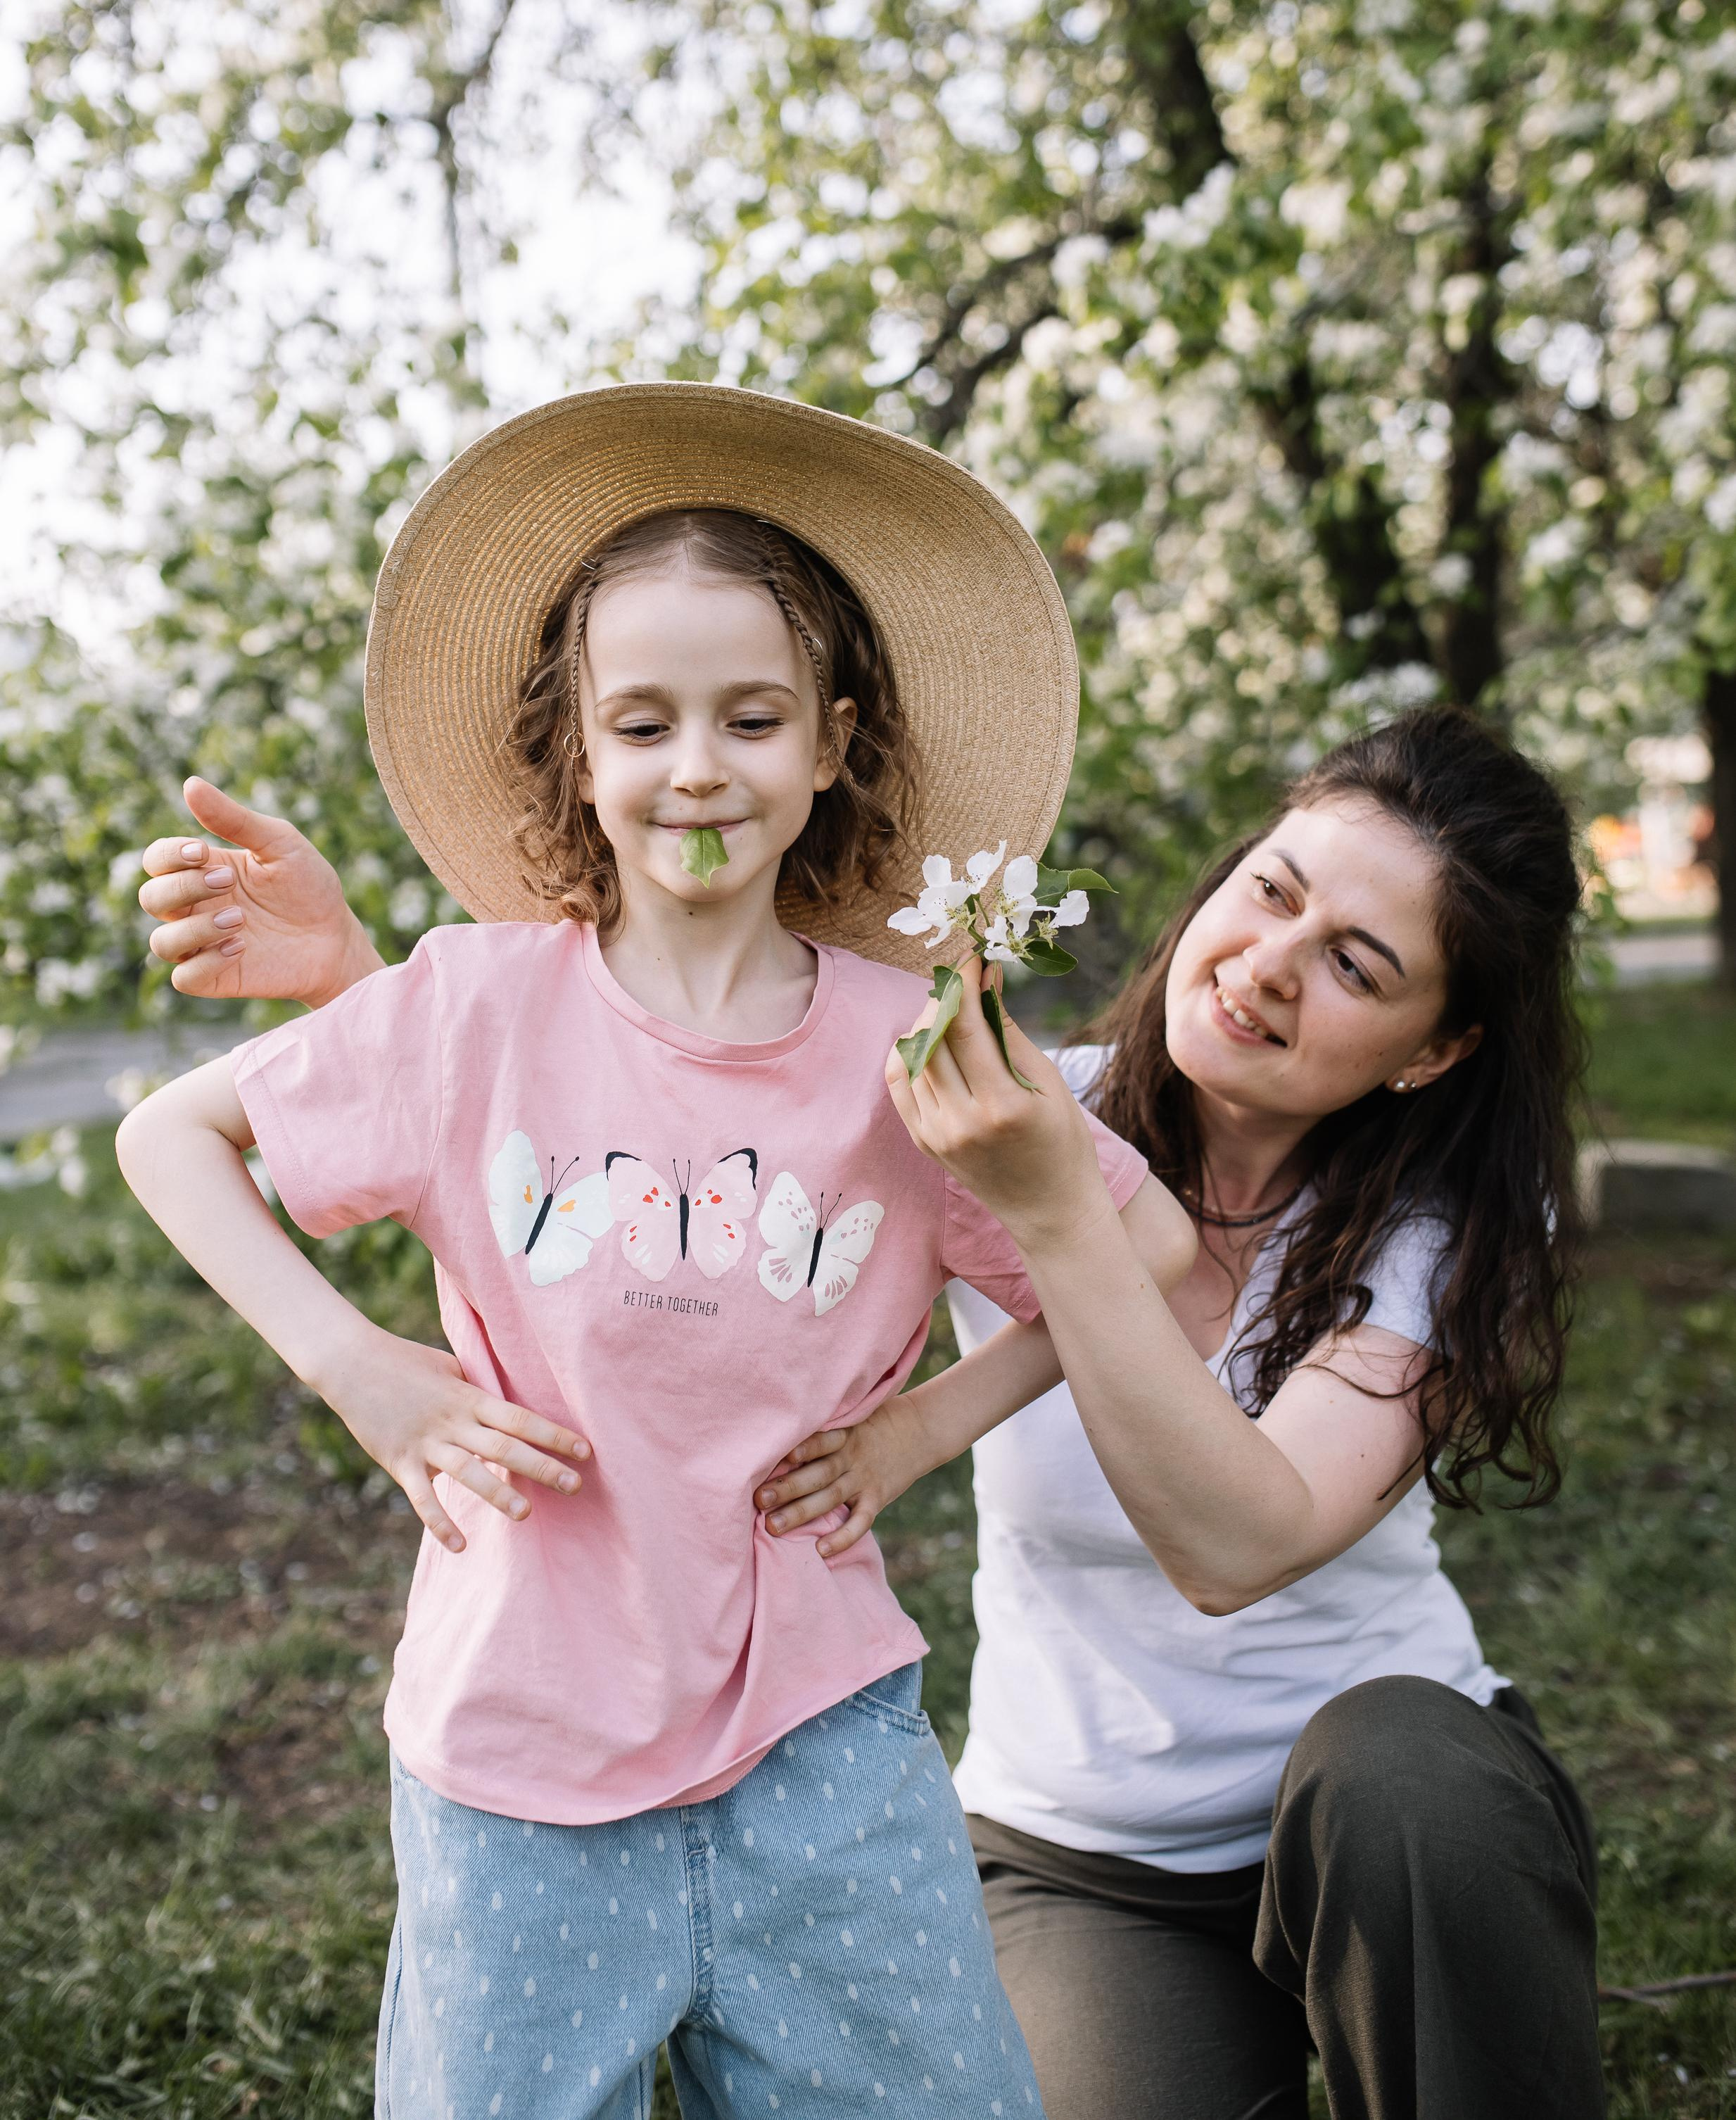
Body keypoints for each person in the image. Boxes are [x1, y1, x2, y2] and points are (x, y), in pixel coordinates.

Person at [147, 698, 1606, 2119]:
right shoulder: (1003, 1092)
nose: (1269, 963)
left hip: (1379, 1799)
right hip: (1079, 1844)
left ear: (1434, 1044)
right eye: (1268, 889)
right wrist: (362, 990)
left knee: (1407, 1779)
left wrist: (1015, 1268)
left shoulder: (1433, 1214)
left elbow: (1237, 1538)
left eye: (1355, 960)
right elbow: (632, 1151)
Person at [118, 383, 1176, 2120]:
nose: (698, 765)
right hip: (515, 1756)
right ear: (578, 754)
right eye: (645, 721)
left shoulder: (912, 1044)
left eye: (752, 717)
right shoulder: (471, 1004)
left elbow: (1128, 1248)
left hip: (823, 1756)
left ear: (829, 744)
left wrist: (926, 1420)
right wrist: (364, 1373)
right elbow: (170, 1137)